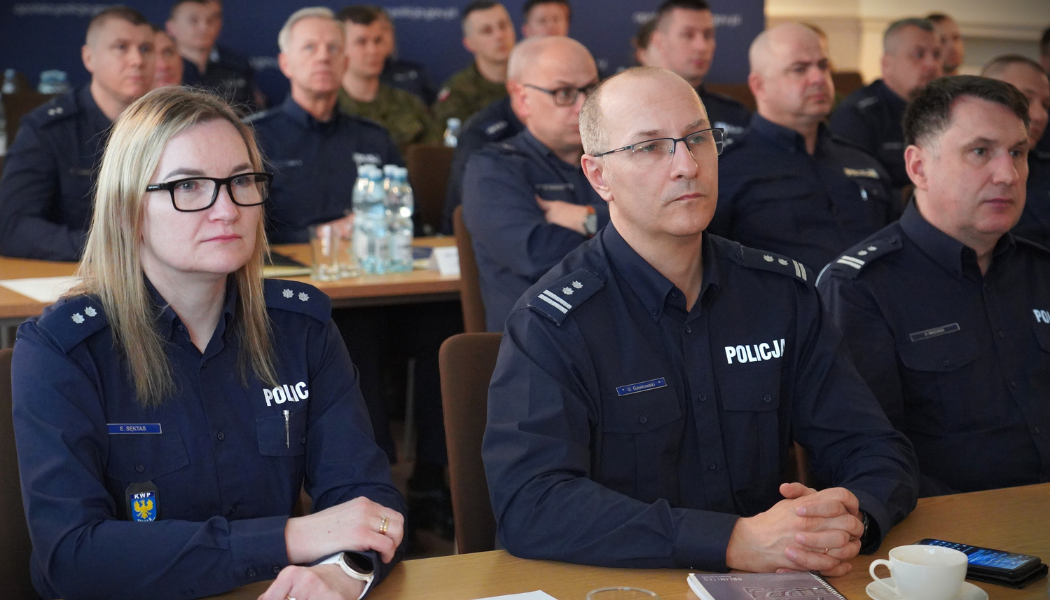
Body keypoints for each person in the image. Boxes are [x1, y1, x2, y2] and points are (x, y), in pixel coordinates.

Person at [483, 66, 918, 572]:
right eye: (650, 147)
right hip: (627, 584)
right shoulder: (553, 322)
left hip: (776, 578)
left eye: (698, 139)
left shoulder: (781, 295)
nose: (687, 166)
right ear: (599, 176)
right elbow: (531, 503)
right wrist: (731, 541)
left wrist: (850, 514)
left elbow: (871, 445)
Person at [12, 85, 405, 600]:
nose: (227, 209)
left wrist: (343, 572)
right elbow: (71, 558)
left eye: (241, 181)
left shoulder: (301, 328)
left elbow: (367, 502)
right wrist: (288, 538)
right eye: (189, 186)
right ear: (129, 209)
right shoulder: (61, 350)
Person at [818, 76, 1050, 497]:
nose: (1009, 174)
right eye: (980, 152)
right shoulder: (862, 288)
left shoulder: (1040, 271)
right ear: (918, 167)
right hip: (950, 523)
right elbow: (864, 456)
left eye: (1018, 152)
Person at [710, 24, 896, 272]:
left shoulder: (861, 161)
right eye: (799, 69)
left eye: (823, 66)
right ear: (759, 86)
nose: (819, 78)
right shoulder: (725, 171)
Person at [462, 36, 606, 332]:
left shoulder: (618, 158)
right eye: (564, 93)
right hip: (538, 342)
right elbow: (537, 255)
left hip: (621, 335)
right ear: (522, 98)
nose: (583, 106)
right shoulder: (493, 169)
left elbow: (667, 231)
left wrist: (587, 218)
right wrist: (629, 236)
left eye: (591, 90)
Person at [0, 6, 155, 261]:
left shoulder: (169, 126)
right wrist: (112, 251)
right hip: (77, 272)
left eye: (146, 49)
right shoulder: (48, 129)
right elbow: (13, 228)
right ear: (89, 58)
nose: (137, 60)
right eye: (121, 47)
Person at [248, 7, 400, 244]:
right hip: (285, 263)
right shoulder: (254, 137)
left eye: (333, 48)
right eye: (310, 47)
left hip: (365, 260)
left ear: (345, 63)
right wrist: (318, 235)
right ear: (286, 64)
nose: (323, 58)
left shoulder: (374, 137)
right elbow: (242, 230)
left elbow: (407, 219)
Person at [830, 18, 942, 198]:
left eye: (936, 55)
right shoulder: (858, 115)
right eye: (918, 55)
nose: (932, 64)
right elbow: (856, 192)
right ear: (886, 65)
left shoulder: (946, 111)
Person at [336, 6, 440, 155]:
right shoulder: (327, 107)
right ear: (339, 48)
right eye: (361, 42)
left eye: (378, 41)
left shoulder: (409, 104)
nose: (373, 50)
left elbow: (435, 158)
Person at [648, 0, 751, 136]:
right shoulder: (632, 110)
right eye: (688, 35)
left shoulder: (735, 115)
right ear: (659, 42)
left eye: (708, 35)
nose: (702, 46)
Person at [983, 56, 1050, 246]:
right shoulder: (960, 168)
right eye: (1026, 100)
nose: (1040, 115)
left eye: (1046, 105)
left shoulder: (1044, 169)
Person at [166, 0, 262, 114]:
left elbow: (253, 114)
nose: (204, 27)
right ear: (171, 27)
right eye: (193, 20)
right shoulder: (161, 67)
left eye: (211, 20)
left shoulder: (237, 63)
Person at [432, 1, 516, 126]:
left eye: (503, 26)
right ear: (469, 43)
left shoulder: (535, 78)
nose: (499, 35)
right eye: (487, 31)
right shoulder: (458, 92)